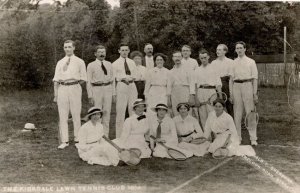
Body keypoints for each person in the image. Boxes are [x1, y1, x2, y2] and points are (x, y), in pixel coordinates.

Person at [53, 40, 87, 149]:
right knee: (63, 115)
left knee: (76, 114)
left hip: (75, 88)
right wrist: (56, 95)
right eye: (65, 47)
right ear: (63, 48)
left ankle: (77, 139)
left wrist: (74, 84)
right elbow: (56, 79)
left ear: (74, 48)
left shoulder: (79, 61)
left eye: (69, 47)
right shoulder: (60, 62)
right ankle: (65, 141)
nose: (67, 49)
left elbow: (83, 78)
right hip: (62, 88)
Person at [229, 41, 259, 146]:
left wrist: (254, 93)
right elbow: (231, 79)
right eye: (237, 48)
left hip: (247, 86)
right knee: (237, 114)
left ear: (245, 49)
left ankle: (253, 138)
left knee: (250, 113)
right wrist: (231, 94)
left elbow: (255, 78)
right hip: (236, 86)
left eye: (241, 48)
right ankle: (238, 138)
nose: (239, 50)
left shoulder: (251, 62)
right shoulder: (233, 62)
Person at [190, 49, 222, 129]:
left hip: (211, 92)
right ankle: (207, 138)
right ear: (199, 58)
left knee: (213, 114)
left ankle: (216, 136)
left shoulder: (214, 68)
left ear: (208, 57)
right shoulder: (197, 70)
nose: (203, 60)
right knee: (203, 116)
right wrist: (196, 98)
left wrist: (220, 97)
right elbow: (195, 85)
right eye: (201, 58)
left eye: (205, 57)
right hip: (200, 92)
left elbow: (218, 84)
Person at [86, 45, 113, 137]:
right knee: (97, 112)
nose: (102, 54)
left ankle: (106, 135)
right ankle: (97, 135)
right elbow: (88, 81)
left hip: (107, 88)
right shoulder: (91, 65)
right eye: (100, 52)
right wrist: (90, 95)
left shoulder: (109, 64)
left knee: (107, 112)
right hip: (96, 89)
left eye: (103, 52)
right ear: (95, 54)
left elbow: (112, 79)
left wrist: (113, 93)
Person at [112, 43, 138, 138]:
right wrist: (114, 94)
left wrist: (130, 78)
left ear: (129, 51)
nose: (124, 52)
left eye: (126, 50)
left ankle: (133, 134)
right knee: (121, 111)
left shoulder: (132, 62)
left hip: (131, 86)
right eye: (122, 50)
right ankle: (119, 136)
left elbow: (135, 75)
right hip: (121, 86)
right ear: (119, 51)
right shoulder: (114, 64)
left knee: (133, 110)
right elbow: (113, 79)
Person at [168, 51, 194, 117]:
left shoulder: (188, 69)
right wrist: (169, 99)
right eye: (175, 57)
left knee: (187, 111)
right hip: (174, 93)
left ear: (182, 58)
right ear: (172, 58)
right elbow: (169, 86)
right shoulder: (170, 72)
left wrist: (191, 96)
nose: (177, 58)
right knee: (176, 112)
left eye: (179, 56)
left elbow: (192, 83)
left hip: (185, 92)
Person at [211, 44, 234, 117]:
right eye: (217, 50)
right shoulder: (213, 63)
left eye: (220, 50)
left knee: (229, 106)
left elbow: (231, 77)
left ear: (225, 51)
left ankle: (231, 124)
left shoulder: (230, 62)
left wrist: (231, 92)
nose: (217, 51)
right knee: (218, 105)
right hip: (216, 86)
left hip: (226, 84)